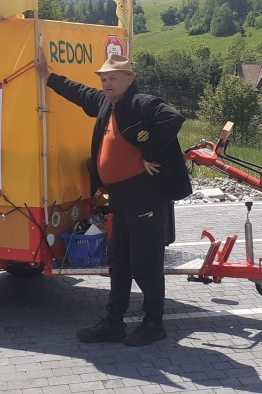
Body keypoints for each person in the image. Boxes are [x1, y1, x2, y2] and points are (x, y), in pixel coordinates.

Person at [35, 48, 192, 346]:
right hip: (120, 200)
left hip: (145, 196)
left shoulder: (140, 103)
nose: (106, 83)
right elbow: (79, 92)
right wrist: (47, 77)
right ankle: (113, 322)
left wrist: (150, 153)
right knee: (118, 262)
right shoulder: (106, 104)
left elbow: (173, 118)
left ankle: (153, 323)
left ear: (129, 78)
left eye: (112, 78)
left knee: (145, 262)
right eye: (104, 79)